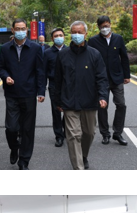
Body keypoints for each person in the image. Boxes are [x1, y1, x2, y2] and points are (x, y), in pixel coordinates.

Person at [50, 21, 108, 170]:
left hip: (89, 101)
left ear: (85, 34)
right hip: (69, 102)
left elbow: (102, 78)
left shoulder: (94, 54)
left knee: (89, 133)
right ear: (70, 34)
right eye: (74, 32)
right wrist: (58, 101)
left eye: (80, 32)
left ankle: (83, 156)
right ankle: (78, 168)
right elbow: (57, 79)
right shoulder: (63, 55)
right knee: (74, 135)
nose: (77, 35)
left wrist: (103, 96)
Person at [0, 18, 46, 170]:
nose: (20, 31)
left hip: (29, 93)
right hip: (12, 94)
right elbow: (0, 67)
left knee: (27, 129)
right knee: (11, 128)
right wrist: (5, 77)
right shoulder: (5, 48)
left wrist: (41, 91)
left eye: (23, 28)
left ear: (27, 30)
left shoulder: (35, 48)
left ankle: (24, 160)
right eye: (17, 29)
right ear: (12, 30)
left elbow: (40, 71)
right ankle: (14, 147)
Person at [89, 15, 131, 146]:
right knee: (102, 106)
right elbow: (89, 60)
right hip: (101, 79)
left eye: (106, 26)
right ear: (98, 27)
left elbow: (124, 57)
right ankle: (105, 134)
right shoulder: (93, 41)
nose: (104, 28)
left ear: (110, 25)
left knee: (121, 104)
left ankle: (117, 133)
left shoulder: (118, 38)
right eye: (102, 27)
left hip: (117, 78)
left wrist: (127, 75)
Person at [44, 28, 66, 147]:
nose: (58, 37)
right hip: (54, 85)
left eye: (60, 35)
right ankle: (59, 136)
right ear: (52, 39)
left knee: (69, 110)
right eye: (56, 36)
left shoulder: (69, 50)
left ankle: (66, 130)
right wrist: (41, 90)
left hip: (68, 85)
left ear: (64, 37)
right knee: (56, 111)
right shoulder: (47, 53)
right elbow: (43, 71)